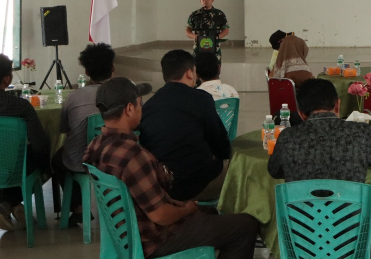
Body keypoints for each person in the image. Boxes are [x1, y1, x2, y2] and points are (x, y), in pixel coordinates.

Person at [83, 78, 259, 259]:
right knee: (245, 226)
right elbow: (160, 215)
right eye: (139, 103)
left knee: (211, 213)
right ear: (129, 109)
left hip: (126, 235)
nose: (142, 107)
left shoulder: (95, 146)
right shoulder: (133, 156)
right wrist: (187, 210)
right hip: (156, 240)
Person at [268, 79, 371, 259]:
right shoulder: (361, 134)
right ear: (338, 105)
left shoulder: (287, 138)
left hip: (301, 246)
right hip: (352, 248)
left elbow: (274, 170)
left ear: (301, 113)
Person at [53, 44, 149, 225]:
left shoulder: (74, 97)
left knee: (58, 160)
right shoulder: (128, 93)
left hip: (80, 160)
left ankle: (78, 208)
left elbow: (64, 129)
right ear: (113, 68)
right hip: (120, 159)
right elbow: (139, 124)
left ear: (87, 72)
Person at [139, 50, 232, 201]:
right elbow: (221, 147)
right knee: (240, 169)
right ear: (189, 73)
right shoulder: (201, 99)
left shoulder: (149, 105)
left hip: (160, 188)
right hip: (194, 186)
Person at [0, 54, 50, 231]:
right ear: (7, 79)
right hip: (15, 167)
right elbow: (39, 144)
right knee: (44, 159)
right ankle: (11, 202)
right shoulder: (21, 106)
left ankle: (6, 204)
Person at [185, 0, 229, 64]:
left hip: (214, 46)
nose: (205, 0)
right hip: (198, 47)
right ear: (200, 1)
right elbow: (187, 31)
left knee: (215, 70)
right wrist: (195, 36)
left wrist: (217, 37)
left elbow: (226, 30)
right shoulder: (195, 15)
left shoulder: (219, 14)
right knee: (198, 69)